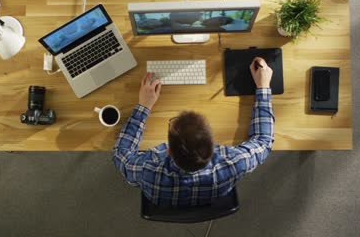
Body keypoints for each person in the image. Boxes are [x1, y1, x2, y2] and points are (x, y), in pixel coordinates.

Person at [112, 57, 275, 206]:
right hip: (213, 196)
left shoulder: (147, 172)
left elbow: (121, 154)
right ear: (213, 145)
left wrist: (144, 106)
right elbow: (264, 141)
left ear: (168, 150)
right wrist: (263, 87)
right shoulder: (234, 164)